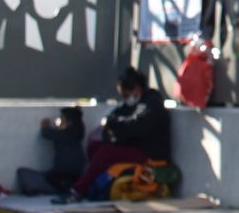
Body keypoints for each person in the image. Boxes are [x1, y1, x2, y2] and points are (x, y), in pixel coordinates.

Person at [55, 68, 171, 202]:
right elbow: (116, 115)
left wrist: (115, 124)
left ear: (137, 88)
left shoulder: (151, 102)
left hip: (150, 153)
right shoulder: (134, 103)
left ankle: (78, 191)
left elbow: (136, 126)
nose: (126, 99)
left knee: (106, 152)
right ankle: (94, 185)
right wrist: (110, 123)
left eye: (127, 95)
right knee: (95, 147)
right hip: (135, 147)